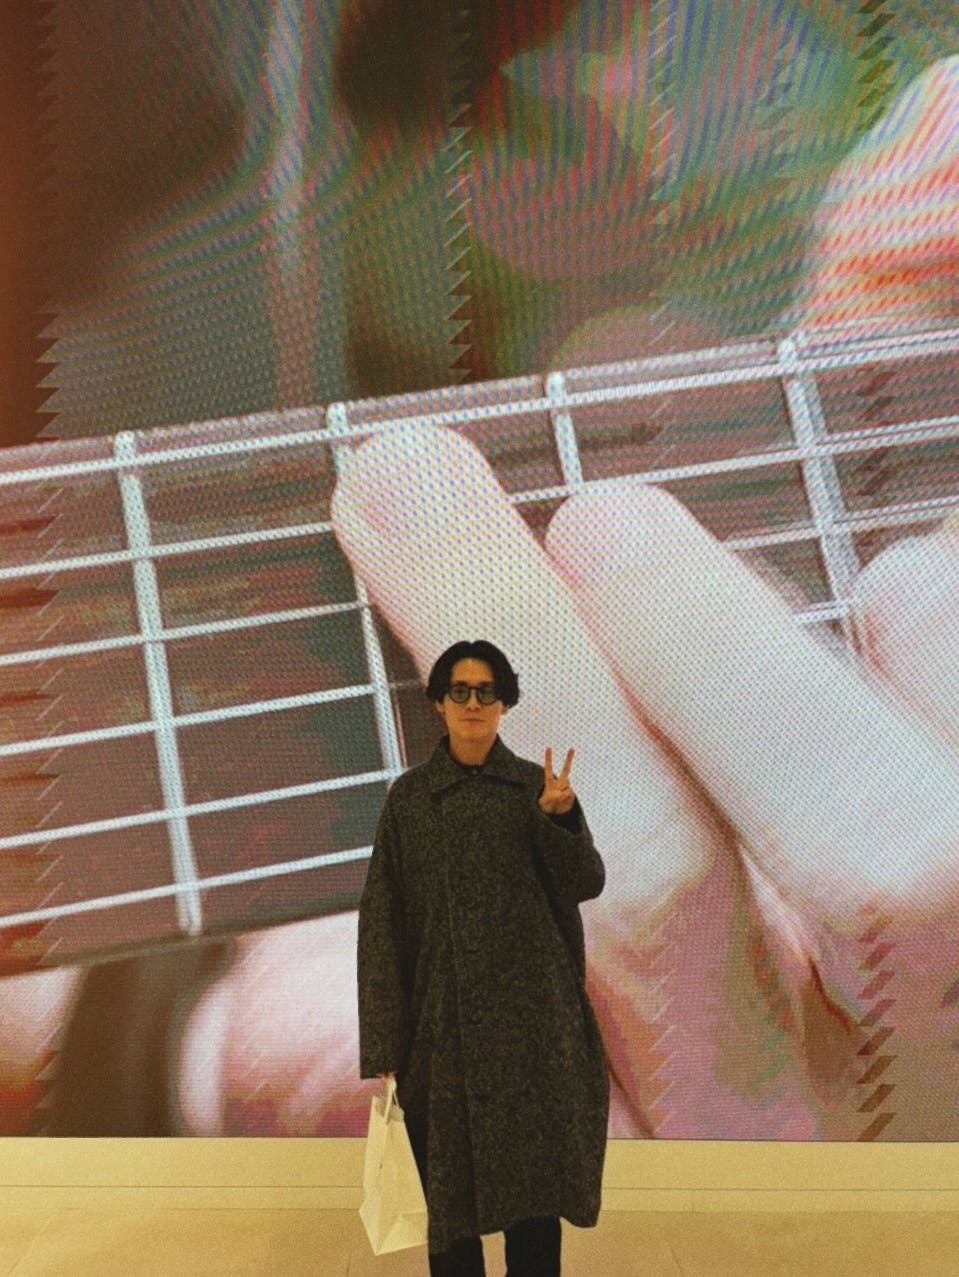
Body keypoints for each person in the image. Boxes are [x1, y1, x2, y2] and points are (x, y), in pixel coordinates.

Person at [357, 640, 608, 1274]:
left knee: (535, 1219)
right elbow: (382, 923)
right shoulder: (410, 800)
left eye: (487, 691)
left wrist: (561, 820)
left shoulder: (536, 790)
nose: (473, 703)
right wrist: (385, 1043)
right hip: (441, 1040)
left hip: (534, 1035)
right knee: (450, 1224)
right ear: (439, 703)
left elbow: (585, 883)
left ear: (504, 705)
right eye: (460, 690)